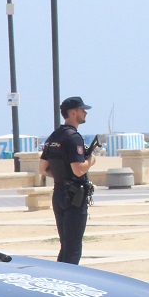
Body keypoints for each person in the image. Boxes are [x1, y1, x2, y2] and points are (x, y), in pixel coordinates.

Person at [39, 96, 97, 264]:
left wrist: (61, 177)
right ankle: (66, 280)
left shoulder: (53, 137)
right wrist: (91, 160)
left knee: (65, 245)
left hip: (59, 194)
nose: (85, 113)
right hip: (74, 198)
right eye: (82, 110)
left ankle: (60, 276)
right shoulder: (73, 138)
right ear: (73, 113)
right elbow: (78, 170)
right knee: (73, 247)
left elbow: (43, 169)